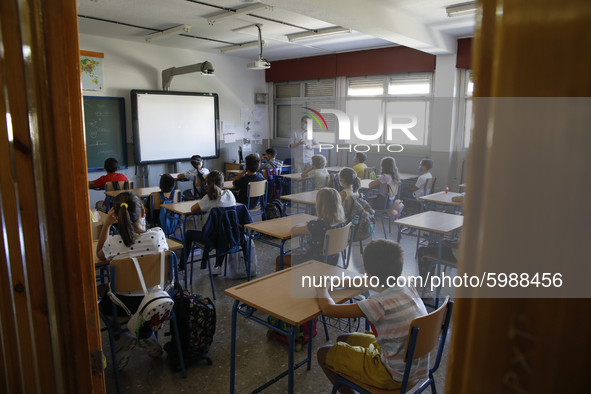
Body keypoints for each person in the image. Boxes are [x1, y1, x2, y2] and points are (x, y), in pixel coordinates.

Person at [316, 239, 429, 392]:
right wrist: (334, 282)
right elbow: (366, 282)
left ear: (368, 273)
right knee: (343, 339)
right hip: (412, 367)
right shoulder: (405, 284)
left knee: (323, 353)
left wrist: (322, 288)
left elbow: (329, 310)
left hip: (392, 375)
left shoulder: (377, 304)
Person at [96, 192, 168, 371]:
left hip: (121, 305)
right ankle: (144, 334)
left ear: (116, 216)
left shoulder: (112, 242)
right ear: (143, 213)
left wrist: (106, 224)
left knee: (101, 291)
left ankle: (125, 336)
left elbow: (99, 255)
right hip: (153, 302)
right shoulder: (157, 236)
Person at [278, 188, 345, 270]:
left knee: (279, 259)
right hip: (332, 260)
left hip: (315, 262)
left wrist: (307, 222)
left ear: (320, 205)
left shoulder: (318, 225)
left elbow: (294, 230)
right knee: (295, 253)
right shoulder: (342, 223)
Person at [182, 170, 237, 270]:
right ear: (223, 184)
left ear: (206, 184)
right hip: (231, 236)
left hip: (212, 240)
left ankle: (181, 268)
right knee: (223, 229)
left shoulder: (209, 198)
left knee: (188, 234)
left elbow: (193, 209)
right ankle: (218, 267)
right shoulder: (230, 194)